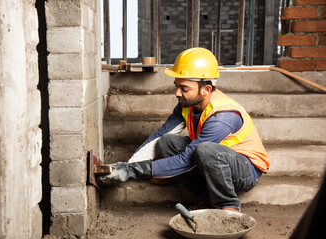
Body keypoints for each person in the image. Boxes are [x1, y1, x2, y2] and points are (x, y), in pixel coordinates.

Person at [99, 47, 270, 212]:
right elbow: (161, 135)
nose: (177, 93)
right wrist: (125, 166)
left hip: (245, 169)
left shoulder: (223, 116)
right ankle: (208, 197)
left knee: (205, 150)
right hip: (215, 161)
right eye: (177, 86)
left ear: (206, 89)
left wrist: (131, 171)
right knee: (166, 142)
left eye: (185, 89)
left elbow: (186, 160)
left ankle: (229, 204)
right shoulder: (187, 104)